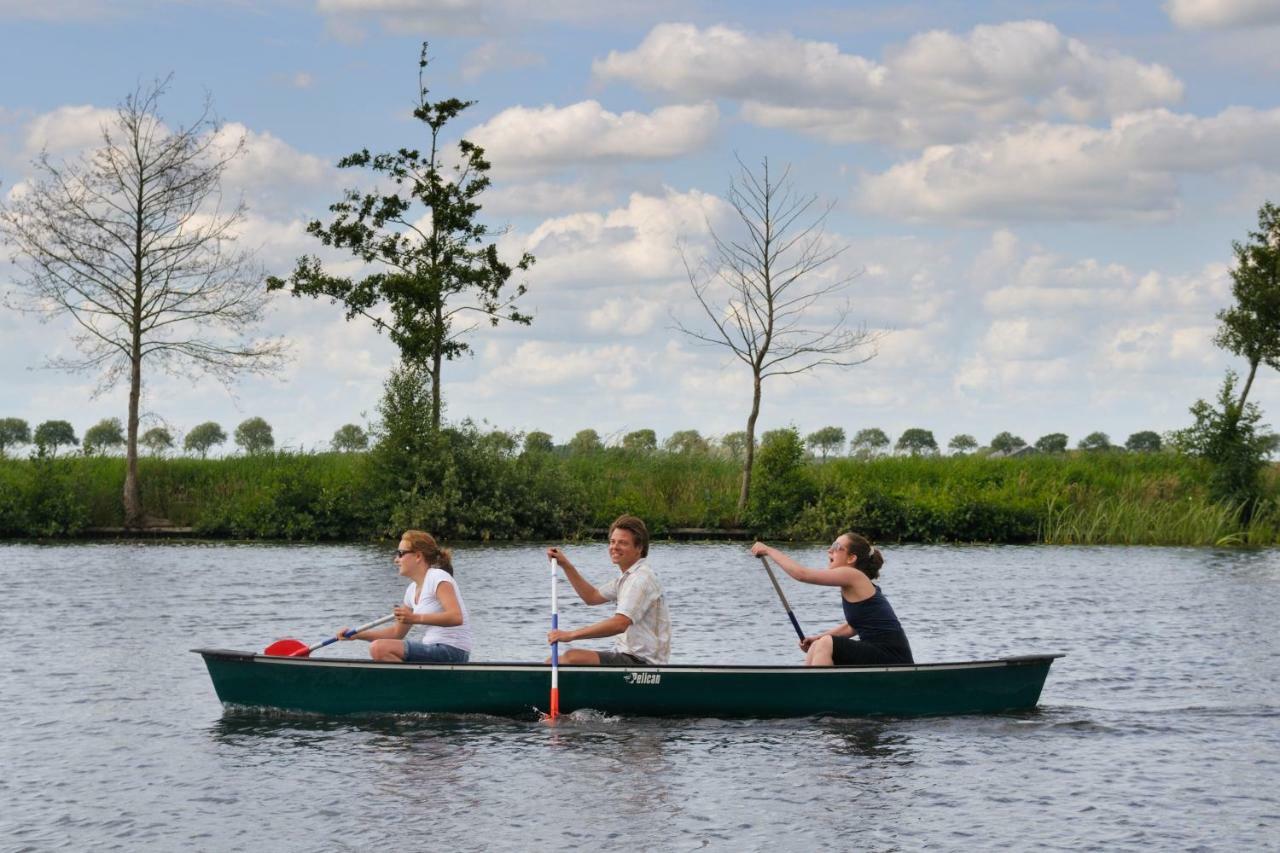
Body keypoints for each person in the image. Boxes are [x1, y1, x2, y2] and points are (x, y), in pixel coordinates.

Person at [750, 533, 912, 666]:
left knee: (826, 643)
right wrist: (816, 639)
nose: (829, 550)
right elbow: (853, 626)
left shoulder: (852, 575)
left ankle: (820, 694)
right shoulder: (854, 583)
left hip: (893, 656)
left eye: (836, 547)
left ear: (851, 559)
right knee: (818, 645)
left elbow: (802, 574)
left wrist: (768, 550)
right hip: (878, 651)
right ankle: (807, 692)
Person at [546, 514, 671, 666]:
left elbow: (620, 623)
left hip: (642, 663)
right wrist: (565, 565)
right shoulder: (626, 578)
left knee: (571, 658)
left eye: (623, 543)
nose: (614, 547)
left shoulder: (640, 579)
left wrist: (571, 635)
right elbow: (591, 596)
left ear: (639, 548)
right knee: (556, 660)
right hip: (626, 656)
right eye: (612, 542)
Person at [337, 529, 472, 663]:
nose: (396, 560)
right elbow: (397, 633)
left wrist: (415, 618)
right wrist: (358, 635)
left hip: (453, 651)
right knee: (379, 647)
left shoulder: (438, 577)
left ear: (418, 556)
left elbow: (456, 617)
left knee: (378, 648)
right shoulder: (411, 591)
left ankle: (412, 683)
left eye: (400, 554)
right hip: (432, 648)